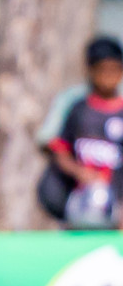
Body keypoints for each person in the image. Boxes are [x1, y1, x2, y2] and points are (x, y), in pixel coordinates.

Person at [45, 36, 123, 228]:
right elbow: (59, 149)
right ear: (90, 71)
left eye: (114, 70)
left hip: (116, 212)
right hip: (78, 206)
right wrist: (79, 171)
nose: (108, 76)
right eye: (102, 70)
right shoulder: (78, 108)